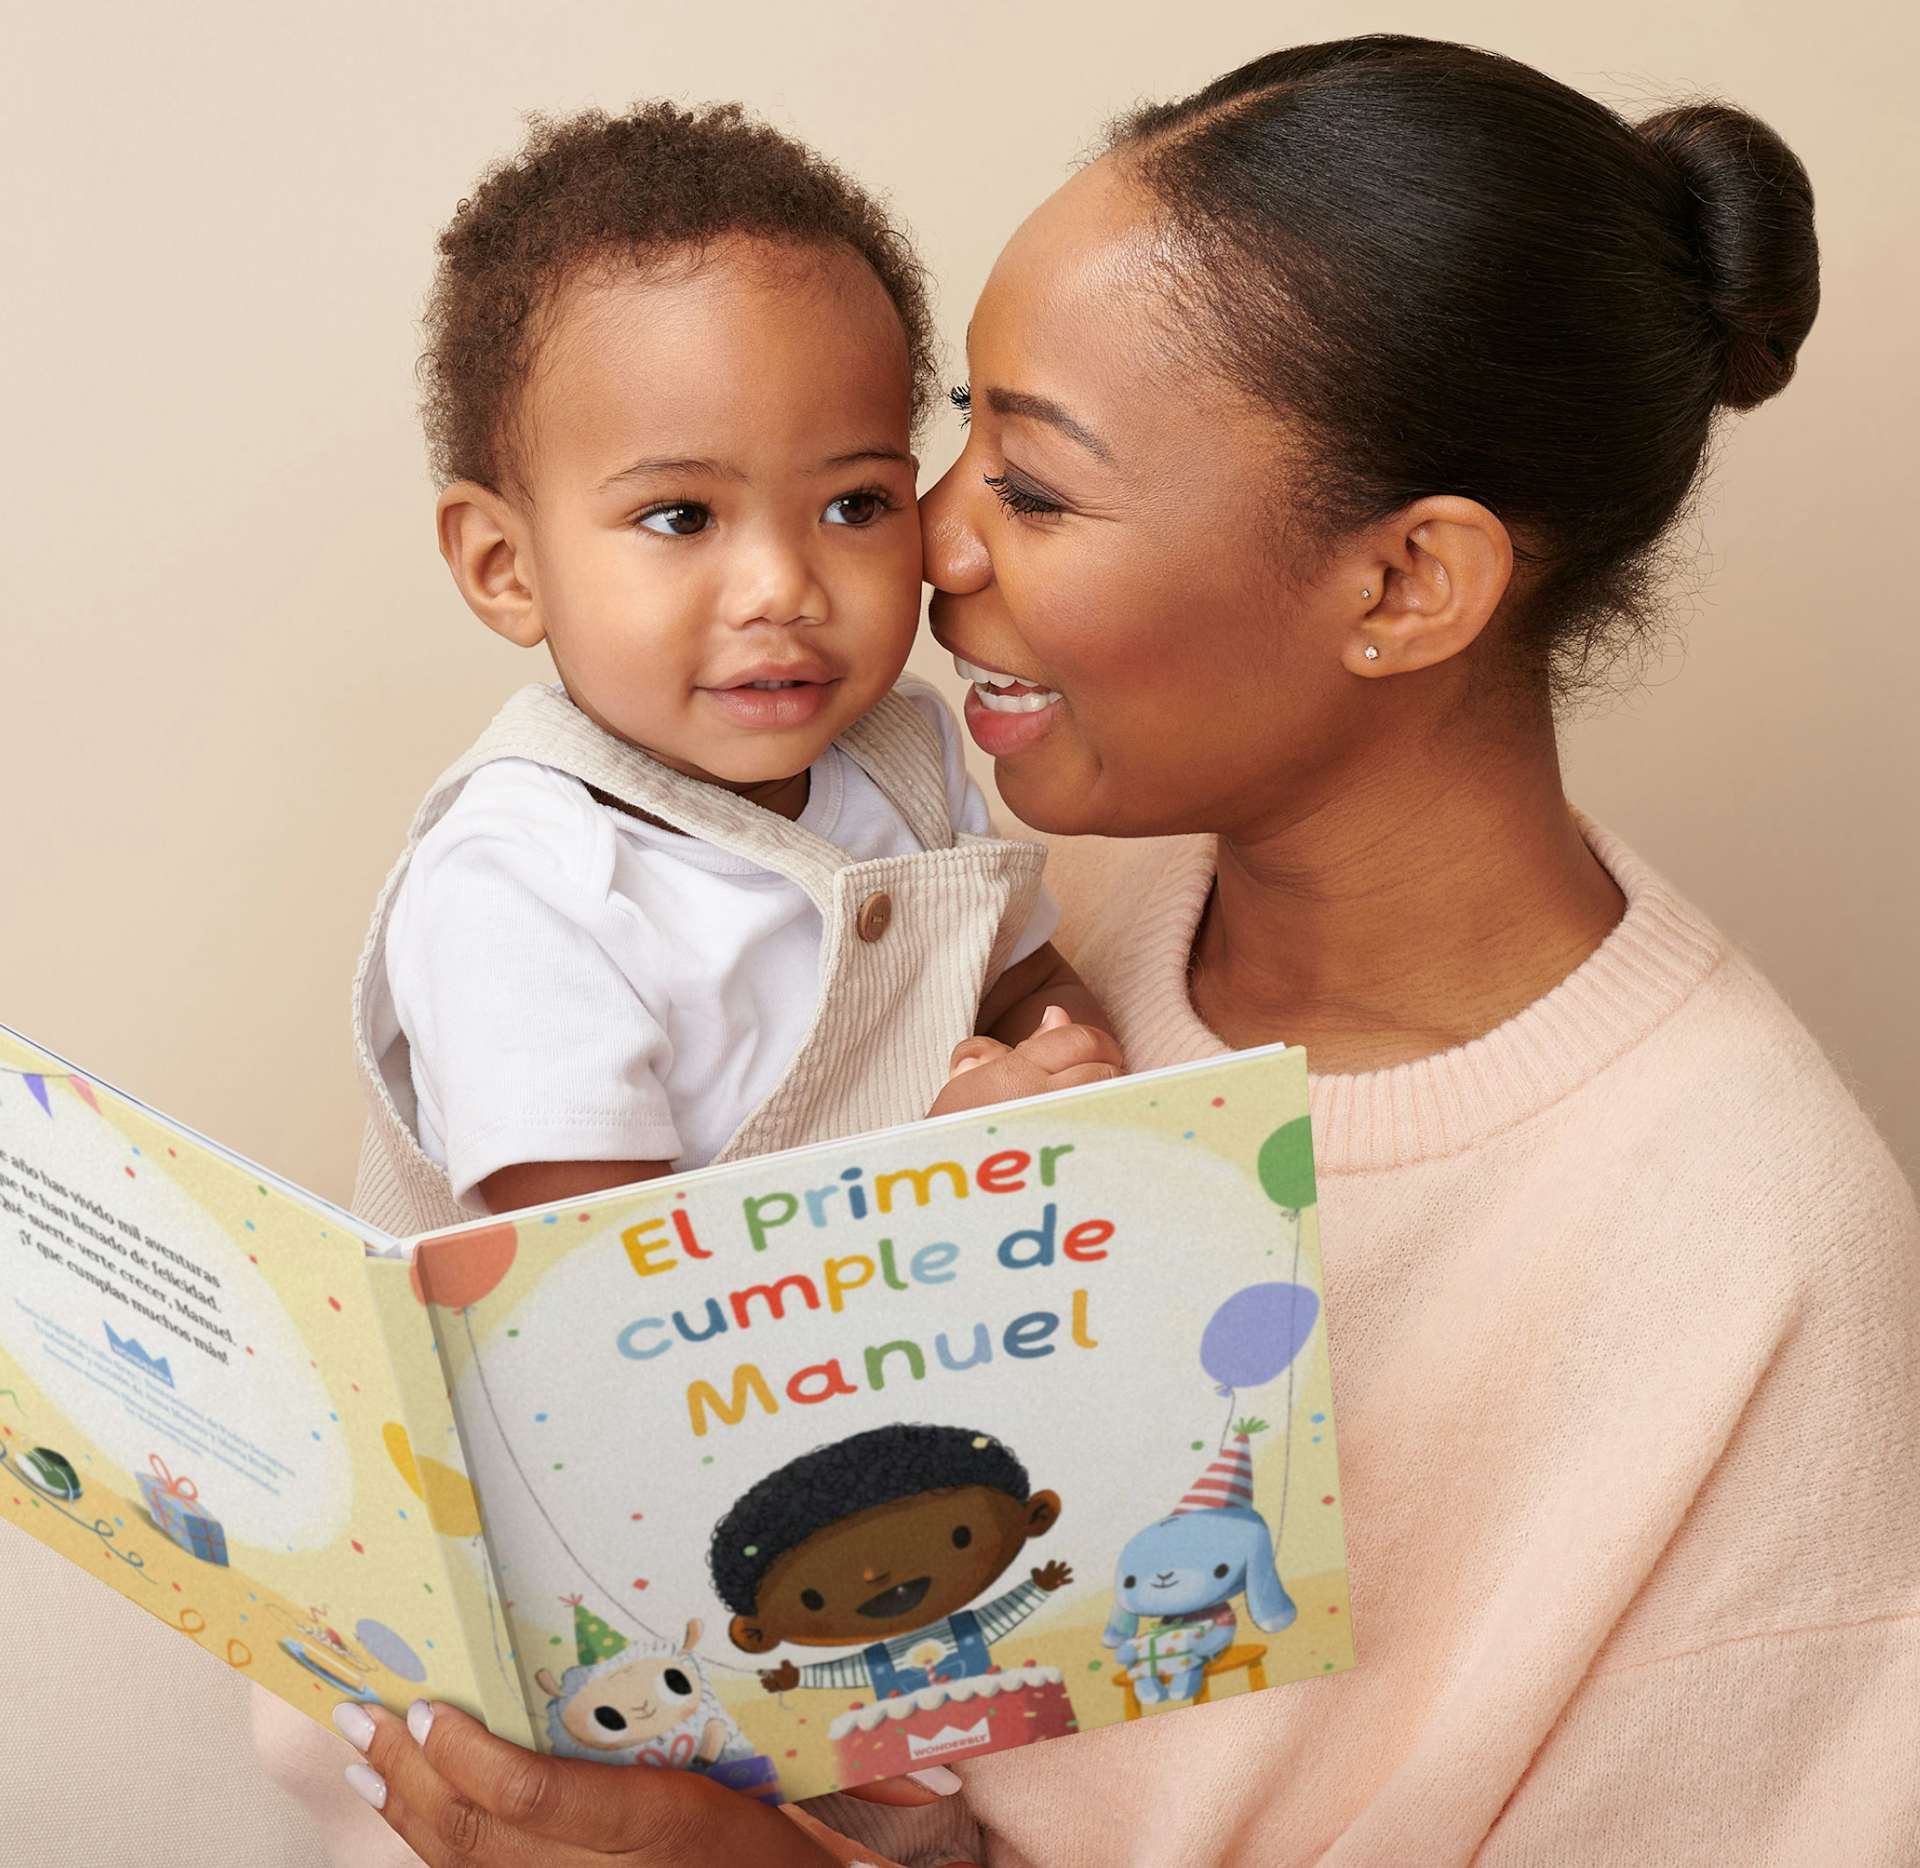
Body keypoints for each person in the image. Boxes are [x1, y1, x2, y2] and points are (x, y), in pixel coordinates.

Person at [300, 34, 1920, 1867]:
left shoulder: (1754, 1259)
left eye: (1038, 487)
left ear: (1407, 583)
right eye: (956, 439)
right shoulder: (953, 871)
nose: (927, 545)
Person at [349, 101, 1117, 1241]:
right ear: (506, 566)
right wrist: (950, 1176)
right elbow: (604, 1281)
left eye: (854, 505)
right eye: (682, 516)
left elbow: (1022, 986)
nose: (782, 588)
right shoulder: (522, 880)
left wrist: (1073, 1072)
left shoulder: (905, 754)